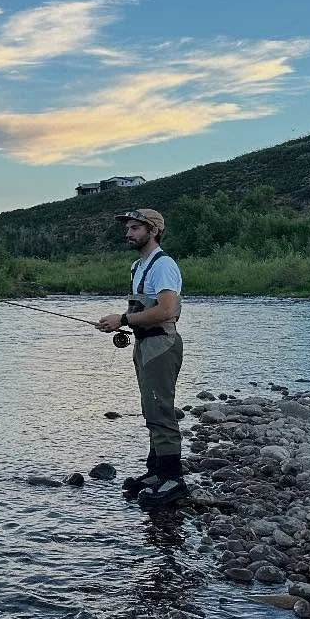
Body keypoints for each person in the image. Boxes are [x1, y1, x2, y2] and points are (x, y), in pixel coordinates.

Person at [96, 209, 186, 509]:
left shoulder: (163, 265)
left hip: (161, 344)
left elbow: (167, 310)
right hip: (145, 344)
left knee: (161, 409)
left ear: (154, 231)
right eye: (128, 228)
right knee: (150, 407)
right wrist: (121, 322)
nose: (129, 233)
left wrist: (121, 318)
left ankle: (173, 480)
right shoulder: (138, 266)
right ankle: (155, 472)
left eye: (136, 228)